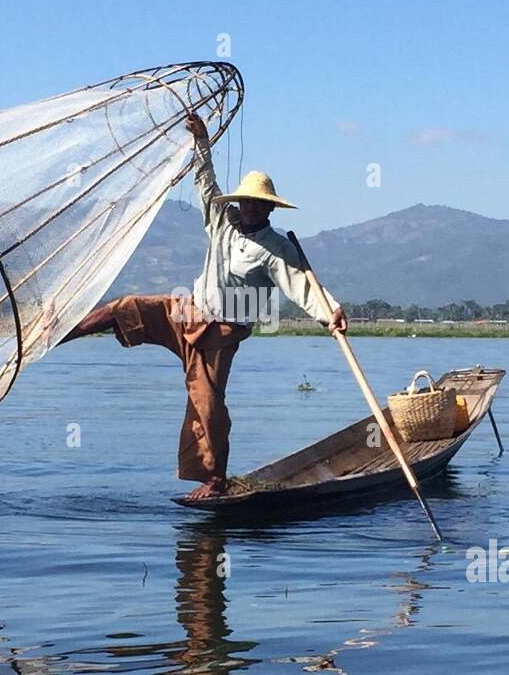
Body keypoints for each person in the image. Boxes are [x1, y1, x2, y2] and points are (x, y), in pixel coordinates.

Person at [61, 112, 346, 499]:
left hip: (219, 334)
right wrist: (202, 142)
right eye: (246, 201)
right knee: (125, 307)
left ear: (269, 210)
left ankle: (215, 480)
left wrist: (330, 313)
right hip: (187, 312)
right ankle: (64, 331)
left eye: (257, 204)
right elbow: (204, 181)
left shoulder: (276, 248)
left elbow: (302, 285)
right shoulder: (221, 220)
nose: (249, 207)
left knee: (208, 407)